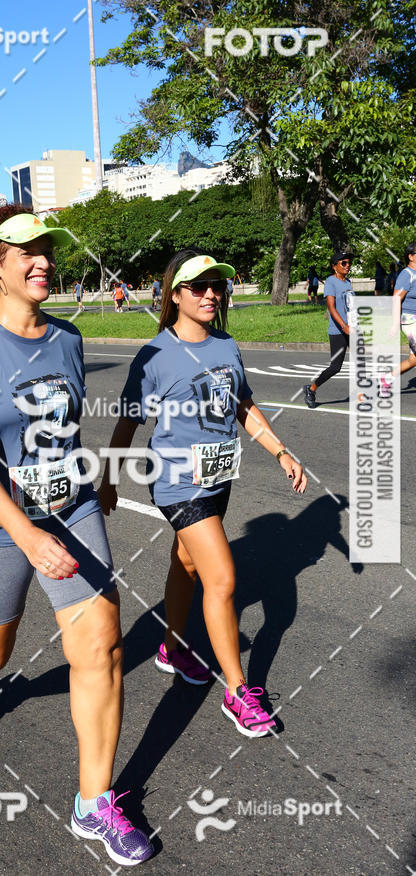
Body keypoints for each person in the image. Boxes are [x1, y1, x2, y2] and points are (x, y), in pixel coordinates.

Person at [0, 206, 153, 866]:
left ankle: (95, 802)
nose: (41, 260)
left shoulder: (66, 339)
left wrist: (96, 487)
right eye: (23, 250)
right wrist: (28, 537)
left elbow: (63, 433)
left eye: (47, 249)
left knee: (102, 648)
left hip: (72, 506)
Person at [98, 249, 307, 737]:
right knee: (223, 578)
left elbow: (243, 405)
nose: (212, 294)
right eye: (199, 287)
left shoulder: (226, 346)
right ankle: (238, 693)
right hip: (176, 483)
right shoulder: (155, 355)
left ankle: (171, 647)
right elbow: (129, 418)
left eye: (218, 286)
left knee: (186, 564)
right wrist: (108, 476)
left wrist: (281, 451)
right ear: (175, 295)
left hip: (218, 477)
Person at [304, 252, 355, 409]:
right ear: (335, 266)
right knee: (335, 367)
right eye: (343, 263)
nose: (347, 266)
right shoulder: (331, 282)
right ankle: (311, 389)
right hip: (338, 330)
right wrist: (344, 326)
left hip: (351, 329)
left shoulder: (348, 282)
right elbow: (331, 308)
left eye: (349, 263)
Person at [380, 242, 416, 395]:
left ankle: (387, 378)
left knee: (413, 360)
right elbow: (395, 299)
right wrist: (395, 325)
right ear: (411, 256)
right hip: (409, 320)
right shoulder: (406, 274)